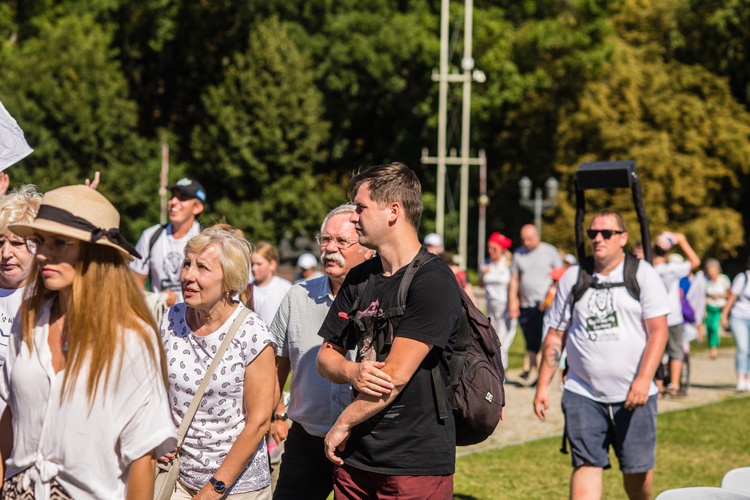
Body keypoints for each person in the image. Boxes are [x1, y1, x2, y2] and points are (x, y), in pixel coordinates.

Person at [1, 184, 176, 499]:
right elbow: (8, 420)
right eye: (39, 241)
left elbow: (142, 459)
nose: (41, 253)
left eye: (59, 243)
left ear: (95, 252)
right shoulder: (28, 318)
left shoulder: (131, 337)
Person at [317, 162, 462, 499]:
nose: (354, 217)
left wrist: (342, 423)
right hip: (356, 460)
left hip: (413, 461)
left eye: (361, 207)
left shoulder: (433, 280)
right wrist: (351, 370)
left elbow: (394, 377)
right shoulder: (359, 277)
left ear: (393, 211)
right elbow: (325, 357)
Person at [533, 210, 669, 500]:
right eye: (593, 233)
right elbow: (556, 334)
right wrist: (542, 385)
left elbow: (658, 331)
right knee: (585, 463)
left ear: (622, 238)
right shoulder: (574, 277)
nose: (598, 238)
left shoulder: (642, 273)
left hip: (634, 395)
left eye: (606, 233)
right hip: (582, 392)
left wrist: (644, 380)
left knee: (637, 472)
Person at [159, 227, 276, 498]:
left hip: (236, 486)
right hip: (176, 477)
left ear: (230, 280)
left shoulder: (253, 334)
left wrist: (214, 488)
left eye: (202, 267)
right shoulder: (169, 319)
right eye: (187, 263)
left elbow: (258, 422)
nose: (188, 275)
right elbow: (149, 386)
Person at [270, 204, 374, 500]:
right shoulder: (298, 296)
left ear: (367, 248)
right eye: (325, 240)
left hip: (363, 442)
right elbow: (278, 363)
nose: (330, 249)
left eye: (342, 241)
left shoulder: (382, 297)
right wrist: (276, 414)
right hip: (307, 440)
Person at [0, 185, 42, 419]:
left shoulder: (51, 300)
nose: (6, 253)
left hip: (24, 431)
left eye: (16, 243)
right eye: (0, 242)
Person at [131, 177, 206, 306]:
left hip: (195, 320)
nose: (173, 201)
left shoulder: (205, 239)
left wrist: (179, 302)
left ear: (197, 208)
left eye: (182, 197)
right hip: (157, 320)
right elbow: (135, 280)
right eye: (173, 196)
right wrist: (155, 303)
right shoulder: (150, 236)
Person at [508, 224, 562, 385]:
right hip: (525, 304)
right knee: (530, 340)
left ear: (537, 236)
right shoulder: (519, 254)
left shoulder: (549, 251)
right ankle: (532, 373)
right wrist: (513, 301)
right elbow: (514, 280)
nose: (526, 242)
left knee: (540, 339)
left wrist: (552, 292)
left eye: (529, 239)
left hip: (545, 304)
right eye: (523, 239)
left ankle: (534, 373)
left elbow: (560, 275)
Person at [652, 231, 701, 396]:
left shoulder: (648, 269)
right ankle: (674, 385)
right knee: (676, 351)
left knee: (655, 350)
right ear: (667, 253)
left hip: (653, 316)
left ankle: (658, 387)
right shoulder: (671, 269)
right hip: (673, 316)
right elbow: (695, 261)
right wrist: (682, 241)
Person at [479, 231, 516, 369]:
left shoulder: (508, 264)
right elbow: (480, 284)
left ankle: (501, 370)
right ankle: (495, 370)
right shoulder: (486, 262)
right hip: (491, 308)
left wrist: (514, 304)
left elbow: (514, 285)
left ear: (502, 249)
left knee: (503, 341)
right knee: (492, 339)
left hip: (505, 307)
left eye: (494, 248)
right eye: (489, 248)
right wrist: (483, 273)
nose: (491, 251)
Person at [720, 257, 750, 393]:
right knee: (743, 348)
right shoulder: (742, 277)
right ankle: (740, 378)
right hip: (739, 317)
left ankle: (748, 378)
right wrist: (724, 315)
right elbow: (732, 297)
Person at [249, 242, 292, 325]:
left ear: (272, 264)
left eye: (259, 264)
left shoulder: (285, 288)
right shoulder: (247, 289)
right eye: (252, 264)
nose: (254, 268)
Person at [704, 258, 730, 359]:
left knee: (714, 327)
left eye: (712, 269)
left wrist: (719, 296)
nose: (710, 271)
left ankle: (714, 348)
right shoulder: (706, 280)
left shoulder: (723, 279)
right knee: (709, 327)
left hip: (719, 307)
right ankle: (711, 345)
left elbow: (729, 294)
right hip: (709, 306)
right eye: (709, 269)